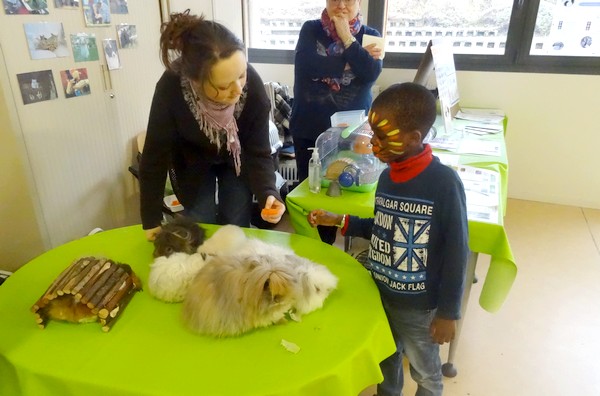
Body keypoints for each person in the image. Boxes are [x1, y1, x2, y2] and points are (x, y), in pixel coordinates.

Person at [307, 83, 469, 396]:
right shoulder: (386, 177)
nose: (373, 143)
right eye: (373, 133)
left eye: (382, 137)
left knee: (426, 372)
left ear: (413, 138)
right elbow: (384, 226)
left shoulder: (444, 184)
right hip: (380, 293)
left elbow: (457, 252)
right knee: (387, 357)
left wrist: (449, 312)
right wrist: (340, 220)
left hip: (418, 307)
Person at [139, 11, 286, 241]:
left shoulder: (253, 89)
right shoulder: (171, 88)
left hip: (237, 158)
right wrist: (150, 219)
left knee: (236, 223)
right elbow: (154, 157)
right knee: (199, 226)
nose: (238, 89)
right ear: (196, 82)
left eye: (241, 75)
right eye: (224, 85)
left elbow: (258, 151)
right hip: (192, 159)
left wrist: (269, 193)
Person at [289, 0, 383, 244]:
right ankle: (316, 248)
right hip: (309, 130)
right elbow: (308, 65)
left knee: (345, 192)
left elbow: (371, 72)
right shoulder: (310, 29)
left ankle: (338, 243)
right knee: (311, 197)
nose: (341, 5)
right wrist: (355, 59)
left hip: (350, 136)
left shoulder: (371, 35)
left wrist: (345, 35)